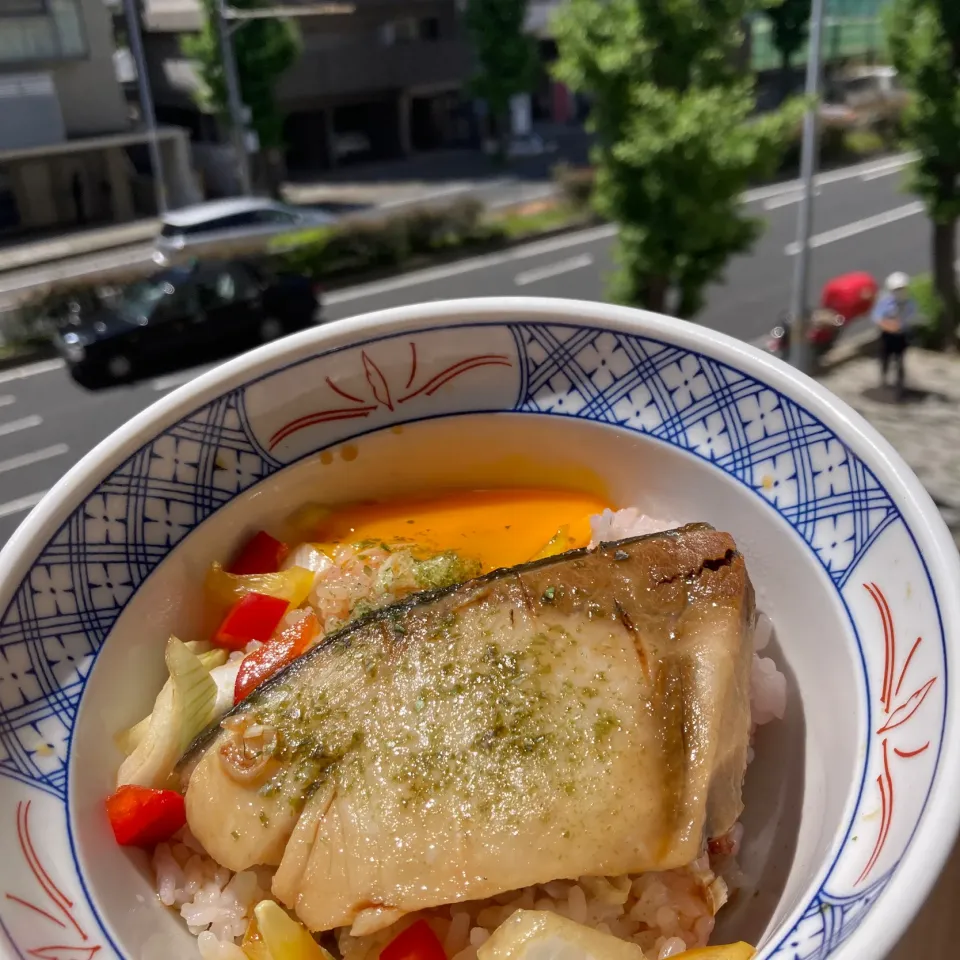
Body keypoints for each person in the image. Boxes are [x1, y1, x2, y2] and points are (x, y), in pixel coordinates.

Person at [872, 271, 916, 399]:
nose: (900, 291)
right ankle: (884, 380)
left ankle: (900, 384)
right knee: (885, 358)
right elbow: (877, 318)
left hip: (901, 335)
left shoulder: (909, 303)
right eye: (897, 289)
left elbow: (911, 316)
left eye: (902, 288)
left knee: (900, 359)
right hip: (887, 336)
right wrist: (889, 325)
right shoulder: (885, 303)